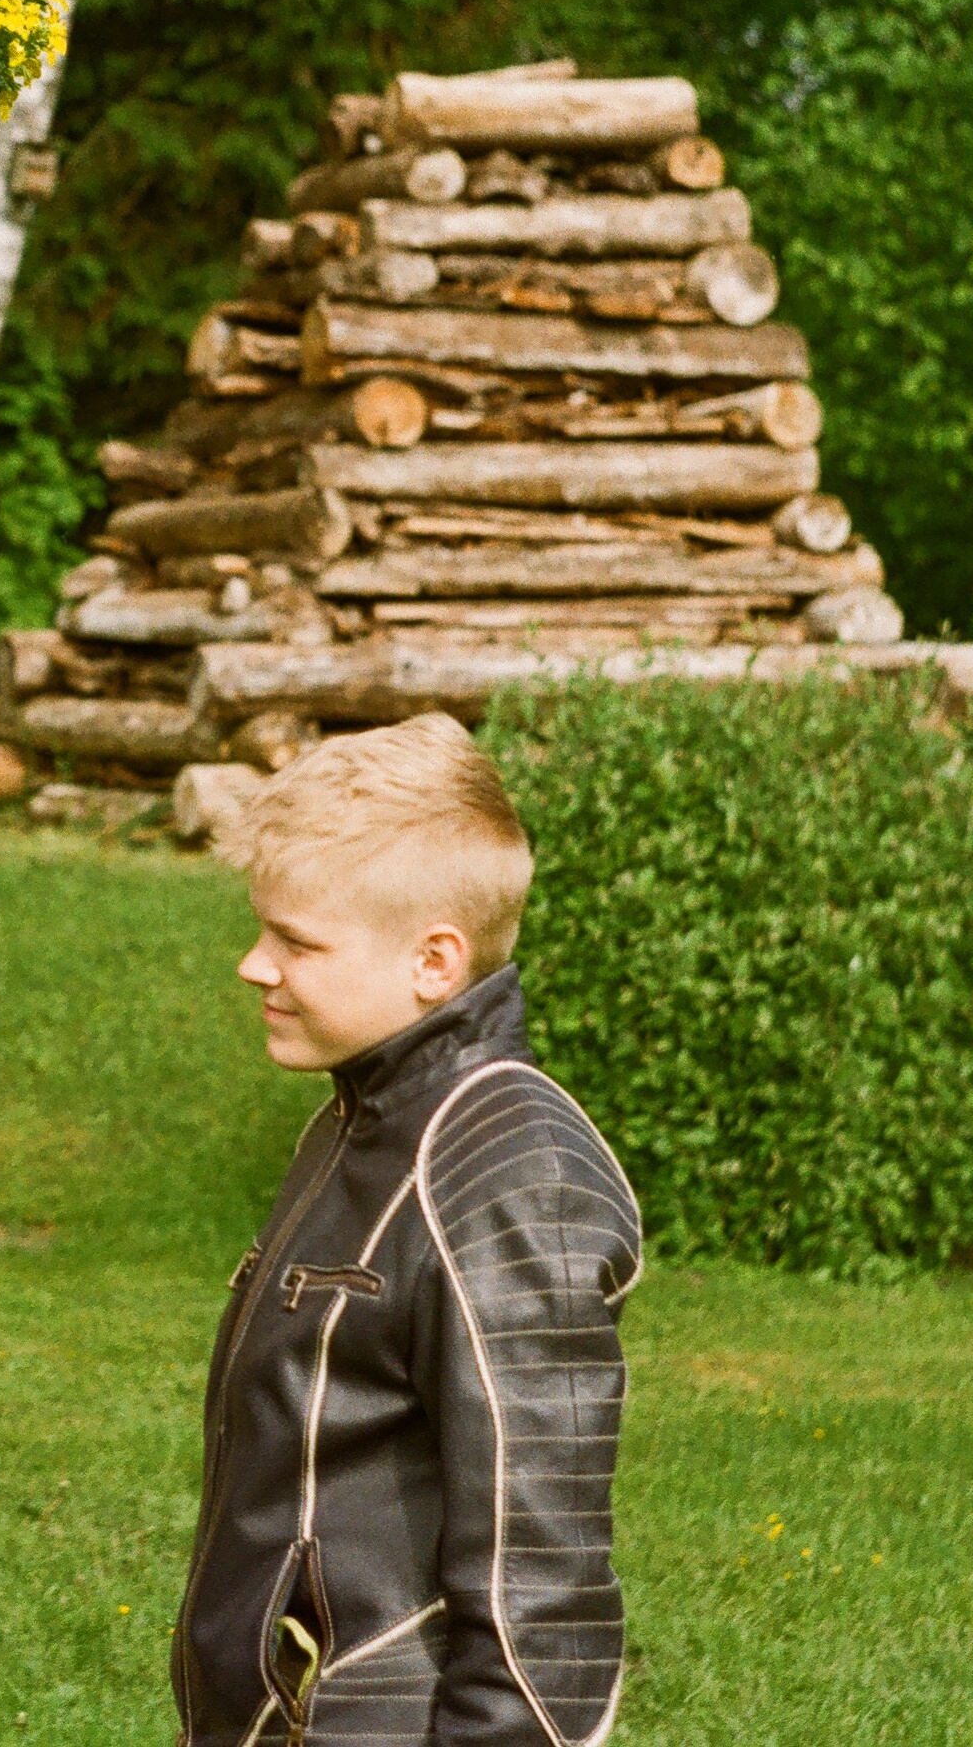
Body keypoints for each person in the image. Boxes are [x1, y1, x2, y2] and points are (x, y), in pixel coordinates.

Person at [175, 714, 644, 1747]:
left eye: (297, 942)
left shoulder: (509, 1175)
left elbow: (543, 1596)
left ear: (434, 961)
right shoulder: (359, 1123)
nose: (254, 965)